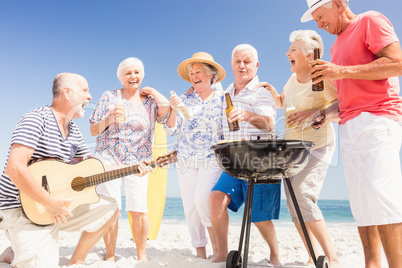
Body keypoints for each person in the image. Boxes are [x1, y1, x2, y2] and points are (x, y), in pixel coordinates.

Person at [301, 0, 402, 267]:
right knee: (360, 200)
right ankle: (372, 264)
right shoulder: (335, 45)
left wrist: (341, 70)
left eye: (321, 17)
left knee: (381, 194)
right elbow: (350, 92)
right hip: (349, 125)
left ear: (337, 3)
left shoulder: (370, 20)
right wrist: (327, 113)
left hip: (379, 118)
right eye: (316, 21)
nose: (320, 25)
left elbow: (397, 63)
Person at [0, 73, 126, 267]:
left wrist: (131, 168)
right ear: (67, 93)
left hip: (54, 207)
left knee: (109, 207)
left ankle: (76, 259)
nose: (90, 97)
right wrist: (49, 202)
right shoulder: (36, 118)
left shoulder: (74, 130)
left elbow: (92, 167)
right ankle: (16, 249)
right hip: (21, 208)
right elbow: (14, 168)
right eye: (85, 90)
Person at [257, 29, 340, 266]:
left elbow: (341, 104)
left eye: (293, 49)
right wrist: (272, 92)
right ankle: (314, 257)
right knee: (294, 201)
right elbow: (283, 102)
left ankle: (332, 258)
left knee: (303, 194)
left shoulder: (322, 77)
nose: (287, 53)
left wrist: (314, 113)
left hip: (318, 146)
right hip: (293, 150)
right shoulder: (292, 78)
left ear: (309, 54)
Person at [89, 57, 170, 261]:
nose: (133, 76)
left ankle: (141, 256)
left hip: (139, 162)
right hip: (108, 158)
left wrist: (152, 91)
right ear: (120, 77)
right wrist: (109, 119)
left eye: (136, 72)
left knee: (139, 209)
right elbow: (92, 130)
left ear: (142, 75)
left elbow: (166, 110)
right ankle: (110, 255)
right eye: (128, 73)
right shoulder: (109, 96)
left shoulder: (151, 103)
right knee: (111, 209)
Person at [209, 44, 282, 265]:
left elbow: (269, 124)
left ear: (256, 65)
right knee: (216, 198)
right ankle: (222, 253)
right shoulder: (226, 94)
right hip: (235, 160)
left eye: (247, 61)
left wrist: (249, 115)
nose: (242, 66)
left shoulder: (262, 91)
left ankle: (275, 253)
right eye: (238, 61)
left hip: (261, 160)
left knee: (259, 216)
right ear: (231, 64)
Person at [164, 52, 226, 259]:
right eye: (192, 73)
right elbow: (171, 130)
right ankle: (200, 252)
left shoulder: (223, 98)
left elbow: (227, 129)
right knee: (191, 207)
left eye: (198, 72)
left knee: (203, 200)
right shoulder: (185, 98)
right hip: (185, 158)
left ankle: (218, 249)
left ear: (210, 74)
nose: (194, 76)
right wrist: (173, 108)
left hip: (211, 157)